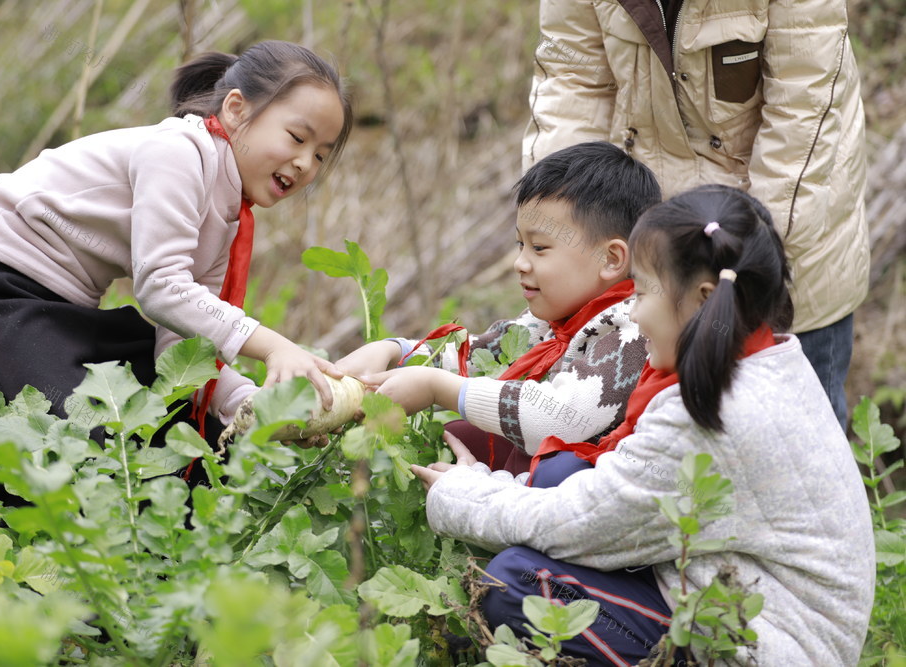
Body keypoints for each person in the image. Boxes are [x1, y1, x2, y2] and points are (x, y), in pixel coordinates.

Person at [412, 185, 874, 665]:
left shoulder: (711, 413)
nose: (632, 313)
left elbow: (577, 524)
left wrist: (461, 494)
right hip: (768, 614)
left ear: (703, 299)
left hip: (769, 645)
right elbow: (605, 500)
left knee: (517, 584)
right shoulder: (767, 356)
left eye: (645, 291)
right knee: (558, 481)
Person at [0, 41, 353, 447]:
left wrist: (247, 405)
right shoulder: (179, 153)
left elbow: (182, 343)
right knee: (77, 442)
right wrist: (275, 346)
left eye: (320, 155)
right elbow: (161, 288)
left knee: (186, 436)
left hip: (61, 311)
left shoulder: (225, 216)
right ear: (237, 109)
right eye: (298, 138)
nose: (304, 163)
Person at [523, 1, 869, 429]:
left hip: (781, 251)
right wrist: (564, 241)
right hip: (654, 262)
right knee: (673, 459)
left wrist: (743, 275)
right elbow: (572, 82)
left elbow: (803, 117)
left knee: (796, 441)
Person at [339, 141, 660, 475]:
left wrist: (437, 388)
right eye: (521, 244)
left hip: (601, 489)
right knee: (459, 435)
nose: (520, 263)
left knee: (557, 469)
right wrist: (394, 352)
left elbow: (557, 418)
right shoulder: (549, 321)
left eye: (539, 247)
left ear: (610, 259)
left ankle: (494, 501)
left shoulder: (634, 328)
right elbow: (476, 356)